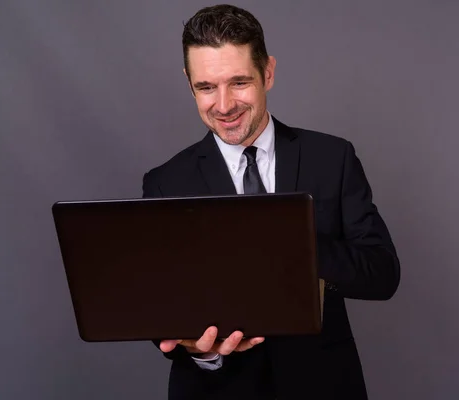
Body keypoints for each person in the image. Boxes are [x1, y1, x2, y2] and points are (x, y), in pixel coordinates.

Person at [141, 4, 400, 400]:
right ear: (189, 82)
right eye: (206, 87)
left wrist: (298, 243)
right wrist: (197, 349)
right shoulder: (165, 183)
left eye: (239, 82)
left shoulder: (332, 158)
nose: (224, 105)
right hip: (216, 390)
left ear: (268, 72)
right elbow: (154, 305)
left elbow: (382, 274)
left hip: (323, 386)